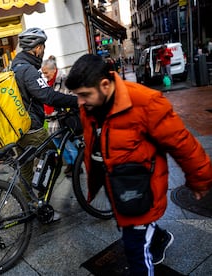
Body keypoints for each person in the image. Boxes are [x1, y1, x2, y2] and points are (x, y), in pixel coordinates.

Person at [65, 54, 212, 275]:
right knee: (132, 230)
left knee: (134, 250)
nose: (80, 102)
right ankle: (159, 237)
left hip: (141, 189)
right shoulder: (90, 105)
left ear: (105, 85)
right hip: (116, 186)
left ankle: (151, 240)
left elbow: (182, 143)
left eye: (84, 95)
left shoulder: (146, 102)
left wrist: (200, 179)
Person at [10, 28, 79, 214]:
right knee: (54, 159)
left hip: (18, 128)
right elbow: (47, 95)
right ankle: (41, 202)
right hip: (31, 127)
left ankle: (30, 204)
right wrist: (76, 101)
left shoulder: (13, 66)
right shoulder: (28, 70)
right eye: (42, 47)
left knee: (25, 168)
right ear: (37, 48)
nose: (42, 50)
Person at [41, 56, 79, 176]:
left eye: (46, 72)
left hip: (63, 120)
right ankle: (70, 163)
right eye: (43, 73)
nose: (45, 75)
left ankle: (76, 165)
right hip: (52, 122)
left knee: (68, 145)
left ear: (53, 70)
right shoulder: (49, 83)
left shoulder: (64, 79)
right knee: (60, 147)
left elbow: (72, 97)